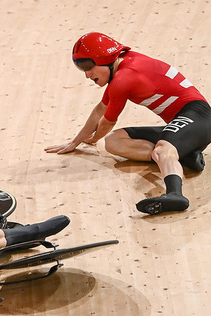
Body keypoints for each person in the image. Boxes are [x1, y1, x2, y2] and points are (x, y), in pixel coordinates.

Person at [45, 32, 211, 215]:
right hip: (185, 123)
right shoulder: (122, 66)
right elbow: (100, 110)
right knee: (113, 141)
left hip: (199, 117)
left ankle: (175, 194)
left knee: (161, 150)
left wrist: (93, 139)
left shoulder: (124, 78)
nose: (86, 75)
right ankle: (184, 155)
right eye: (80, 68)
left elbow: (107, 122)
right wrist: (75, 142)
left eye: (88, 66)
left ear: (105, 59)